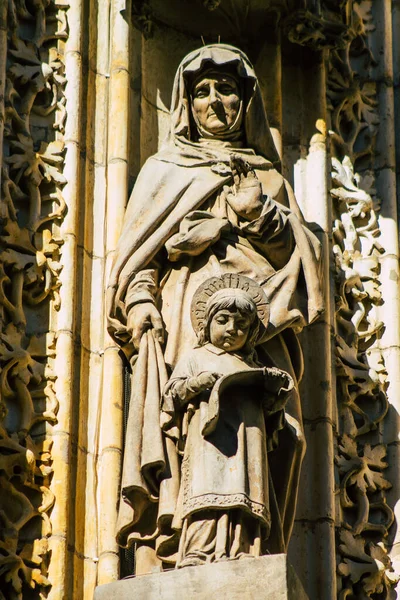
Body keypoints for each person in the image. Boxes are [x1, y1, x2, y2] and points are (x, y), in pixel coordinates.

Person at [107, 43, 323, 570]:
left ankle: (251, 543)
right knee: (193, 421)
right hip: (185, 322)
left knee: (256, 424)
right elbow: (139, 258)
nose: (215, 102)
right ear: (186, 104)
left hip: (259, 326)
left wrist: (255, 218)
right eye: (202, 92)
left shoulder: (266, 177)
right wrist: (140, 305)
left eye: (226, 89)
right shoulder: (163, 170)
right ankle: (184, 543)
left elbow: (306, 267)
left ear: (246, 100)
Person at [162, 277, 294, 567]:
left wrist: (277, 395)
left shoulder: (253, 365)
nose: (232, 330)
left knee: (245, 492)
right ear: (207, 323)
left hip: (250, 438)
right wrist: (197, 384)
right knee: (207, 489)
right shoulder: (197, 357)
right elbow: (171, 395)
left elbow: (271, 415)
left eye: (242, 326)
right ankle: (199, 549)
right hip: (210, 437)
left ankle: (244, 549)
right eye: (223, 320)